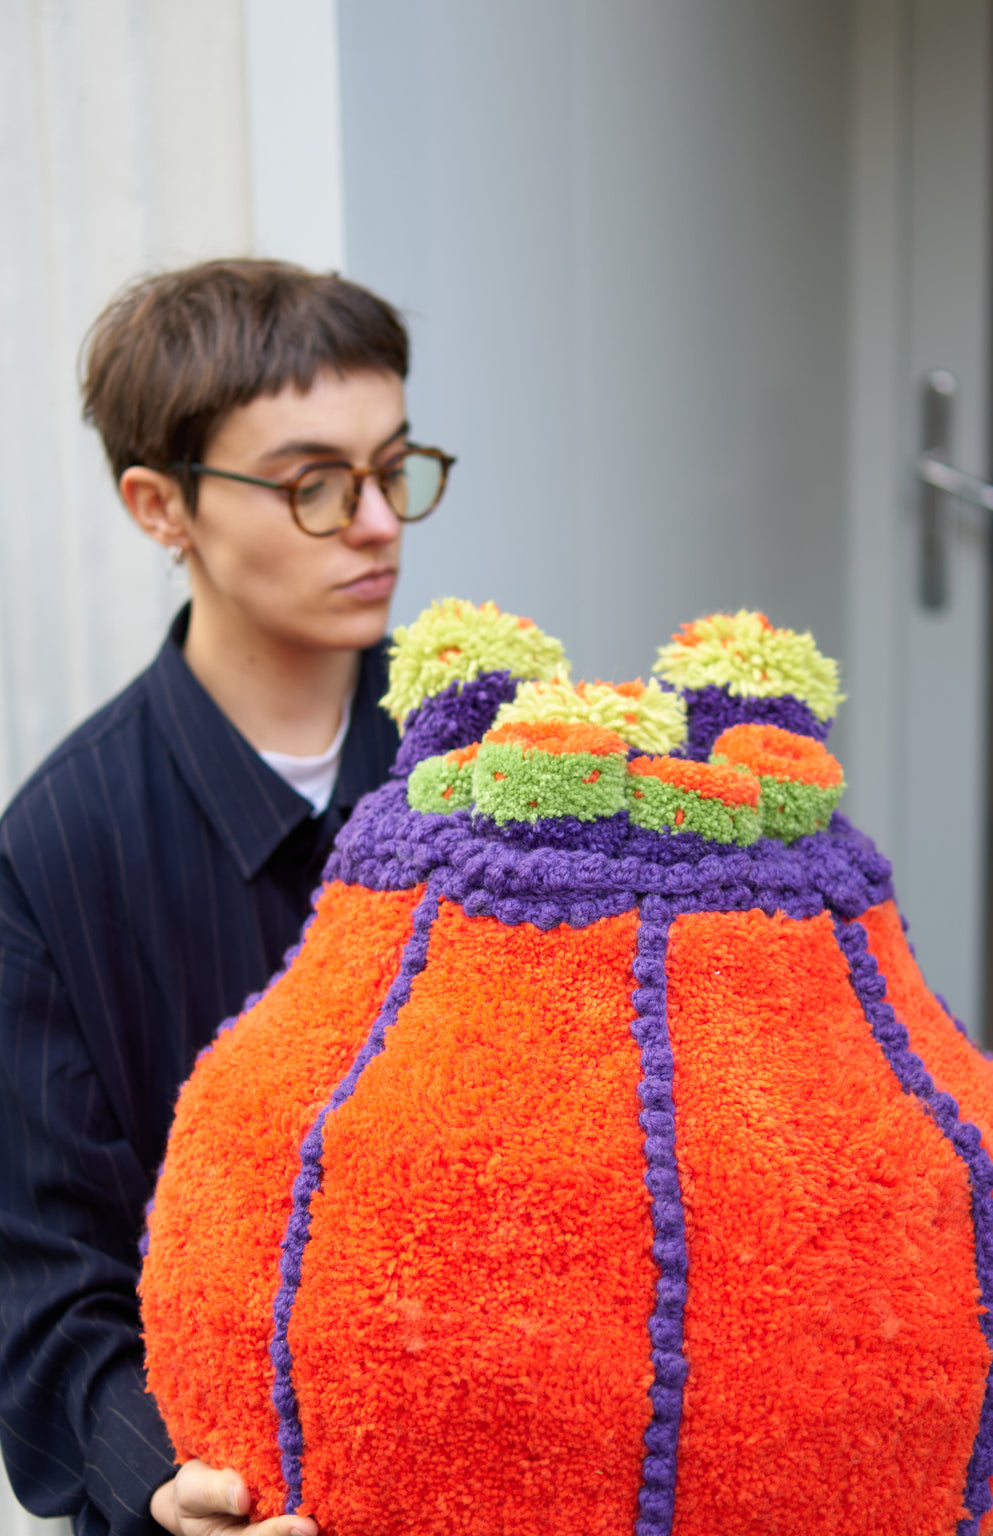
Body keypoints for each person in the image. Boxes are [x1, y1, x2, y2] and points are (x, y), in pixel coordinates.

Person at [0, 259, 455, 1536]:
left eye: (396, 466)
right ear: (161, 506)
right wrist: (163, 1479)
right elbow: (43, 1287)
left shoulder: (491, 772)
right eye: (315, 482)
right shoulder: (56, 852)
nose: (377, 522)